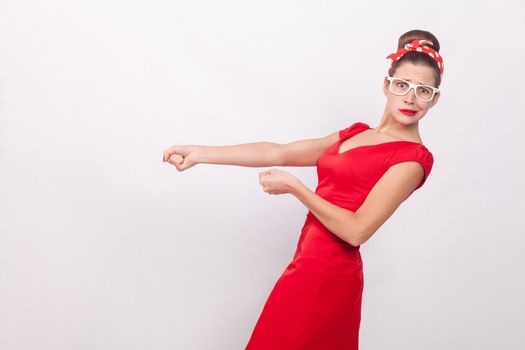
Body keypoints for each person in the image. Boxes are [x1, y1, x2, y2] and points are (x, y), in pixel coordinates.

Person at [162, 28, 442, 350]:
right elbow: (277, 152)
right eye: (402, 85)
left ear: (435, 98)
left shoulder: (413, 159)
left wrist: (297, 188)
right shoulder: (355, 134)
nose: (409, 98)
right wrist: (202, 153)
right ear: (386, 85)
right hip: (306, 263)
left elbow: (357, 230)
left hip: (331, 274)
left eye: (423, 90)